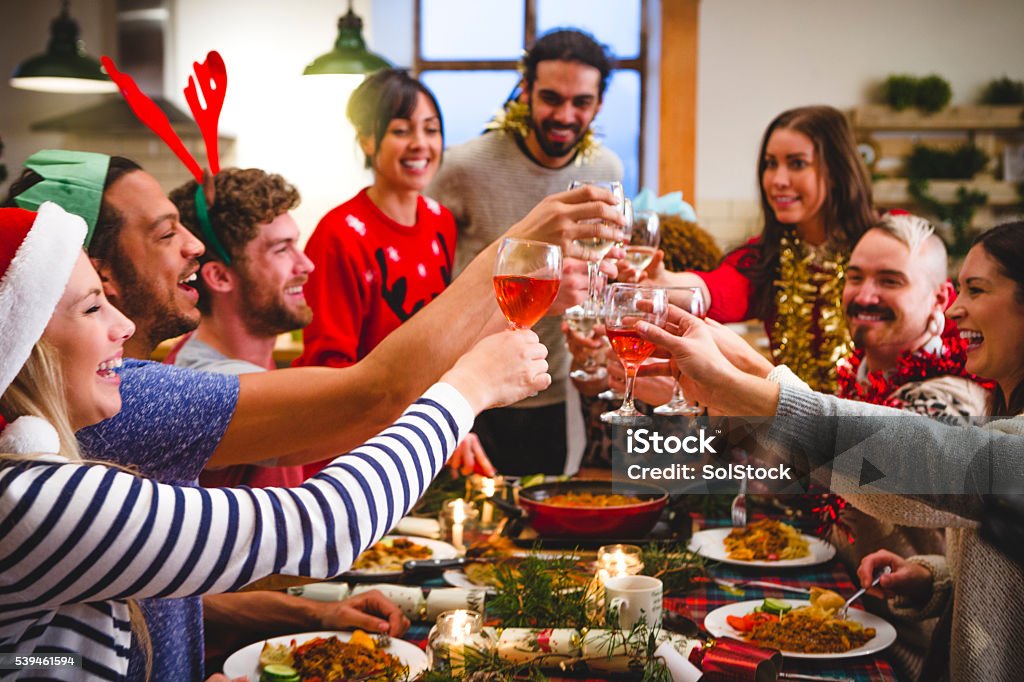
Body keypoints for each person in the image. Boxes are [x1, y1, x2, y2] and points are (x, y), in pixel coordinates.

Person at [3, 149, 623, 679]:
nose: (190, 244)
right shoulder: (82, 446)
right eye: (165, 233)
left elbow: (136, 599)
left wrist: (313, 614)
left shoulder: (62, 439)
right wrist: (470, 383)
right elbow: (356, 435)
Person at [636, 221, 1024, 682]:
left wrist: (751, 390)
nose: (959, 310)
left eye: (977, 290)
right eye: (855, 276)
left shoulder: (955, 403)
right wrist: (935, 581)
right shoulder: (993, 410)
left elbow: (927, 465)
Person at [166, 167, 420, 663]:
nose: (306, 264)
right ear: (218, 275)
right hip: (228, 663)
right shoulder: (213, 384)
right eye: (282, 250)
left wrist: (325, 612)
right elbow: (179, 596)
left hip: (276, 642)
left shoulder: (200, 358)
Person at [428, 29, 624, 474]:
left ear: (598, 104)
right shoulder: (464, 166)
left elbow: (600, 271)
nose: (565, 114)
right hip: (467, 387)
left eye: (581, 102)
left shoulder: (606, 170)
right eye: (551, 98)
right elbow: (428, 280)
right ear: (526, 91)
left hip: (550, 389)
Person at [294, 69, 492, 475]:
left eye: (431, 130)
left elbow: (440, 338)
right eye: (401, 130)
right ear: (368, 139)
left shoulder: (440, 221)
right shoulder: (338, 234)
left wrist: (449, 420)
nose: (420, 144)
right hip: (353, 455)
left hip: (423, 445)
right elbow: (330, 370)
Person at [639, 105, 877, 392]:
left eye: (797, 163)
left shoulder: (887, 241)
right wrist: (666, 283)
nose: (777, 180)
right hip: (795, 421)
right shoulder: (767, 255)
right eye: (770, 163)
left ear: (837, 171)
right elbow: (721, 286)